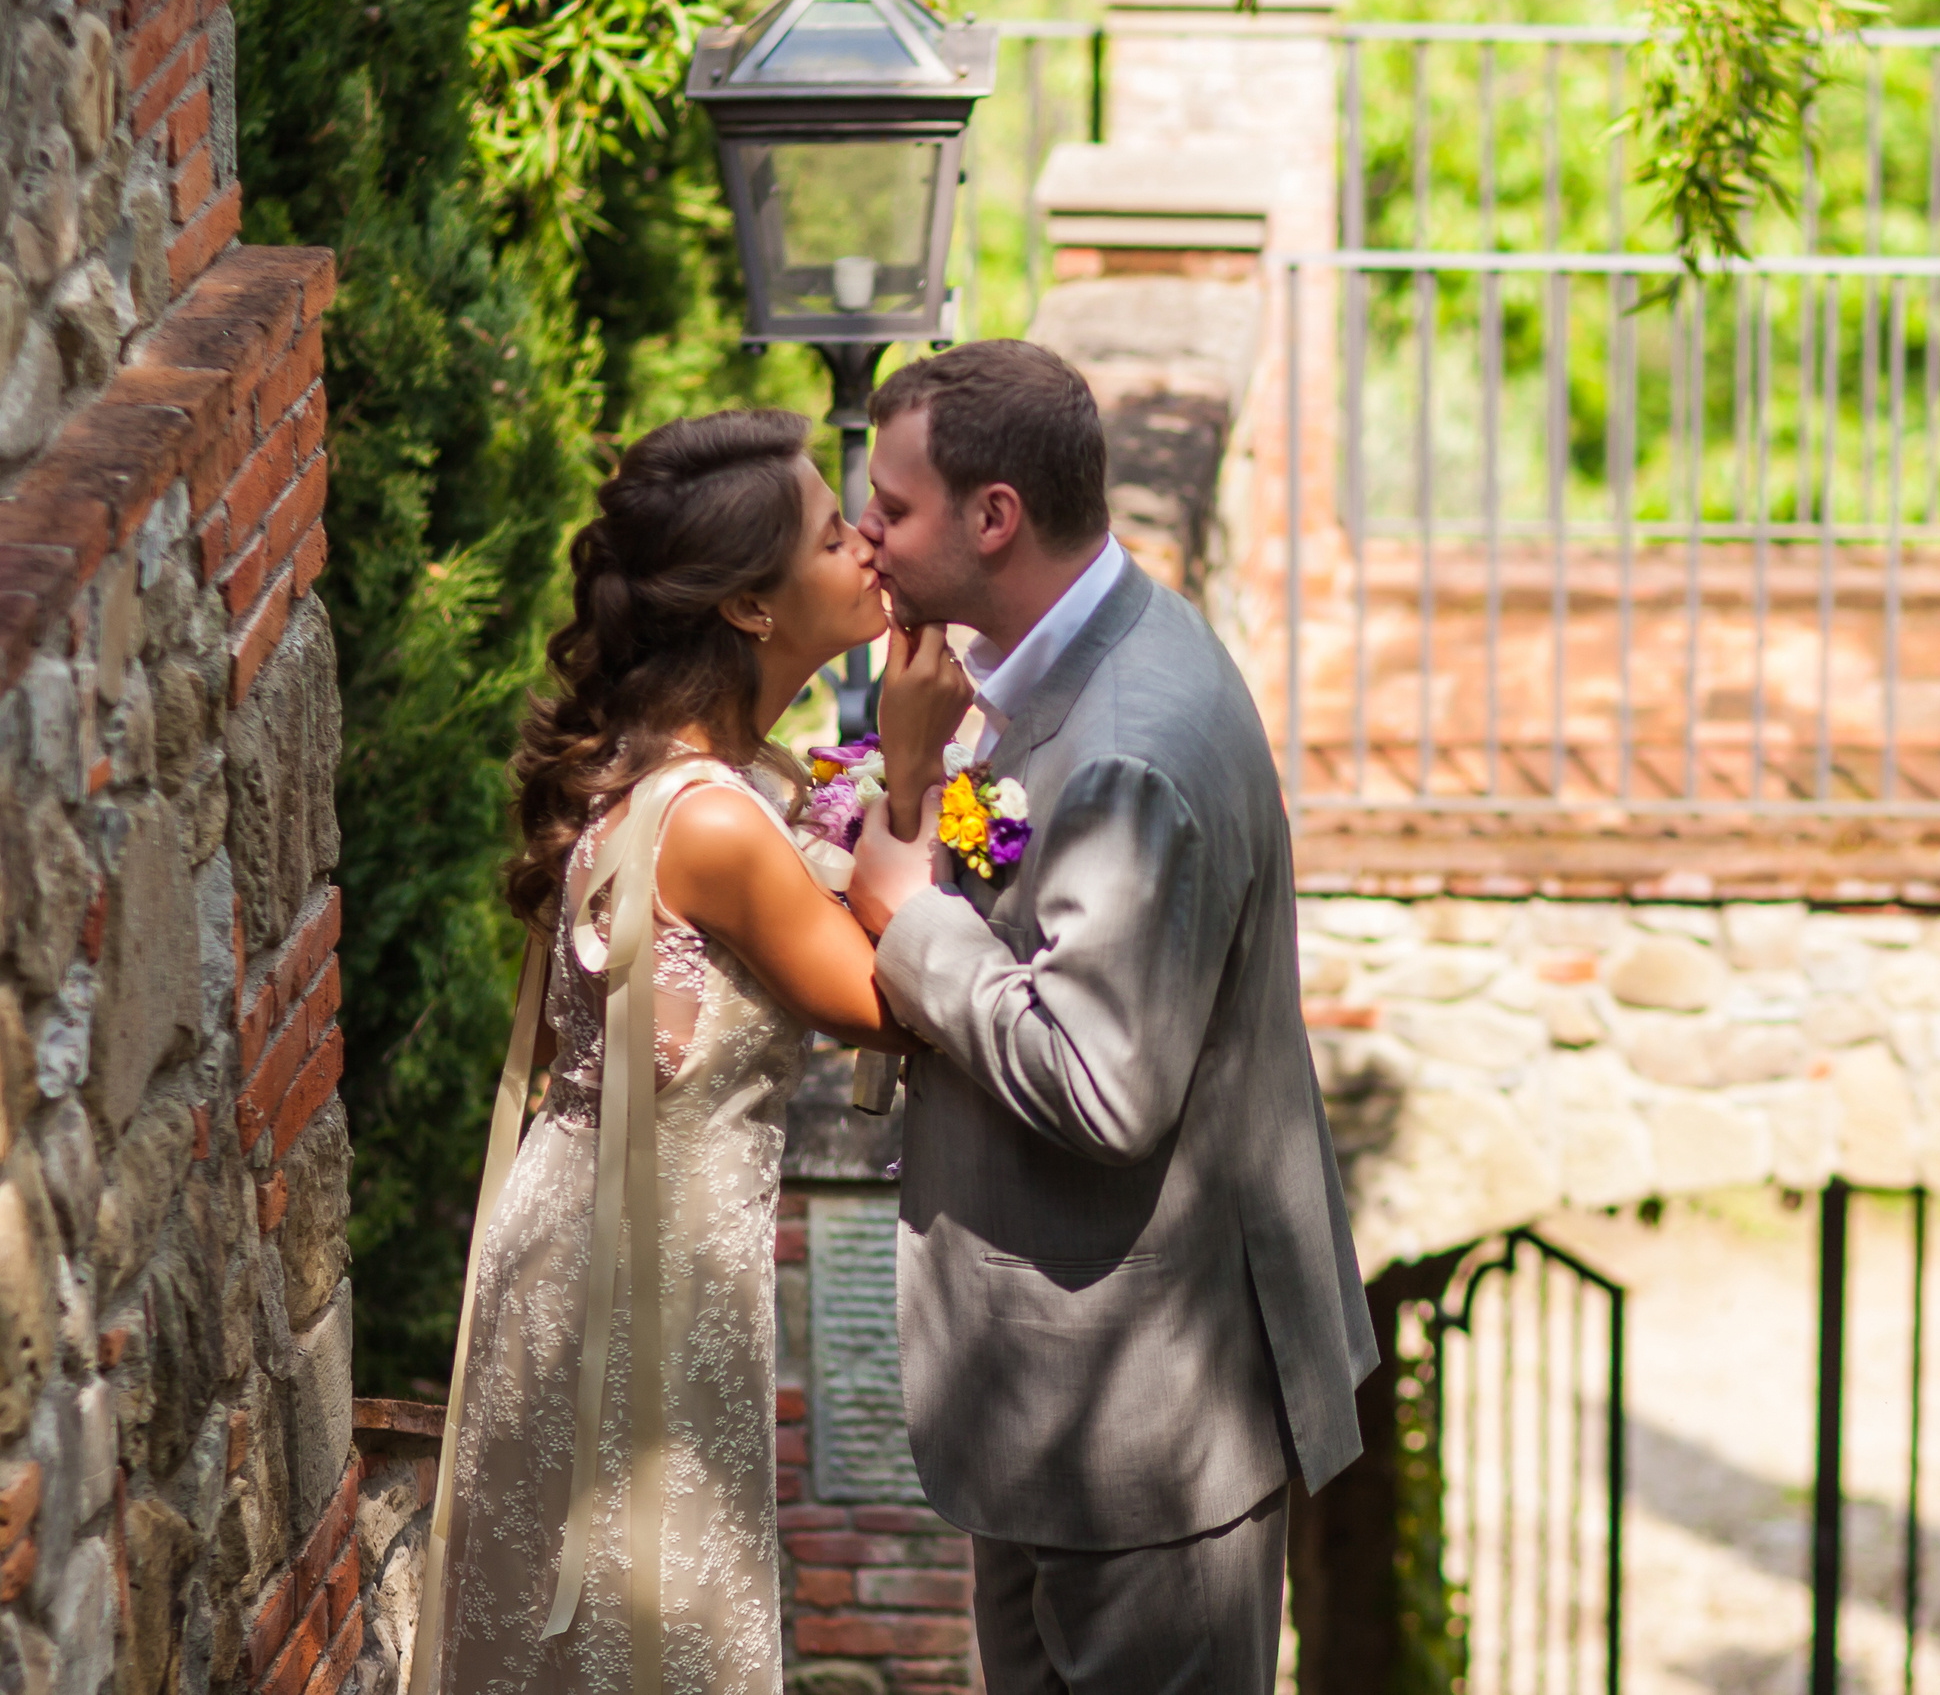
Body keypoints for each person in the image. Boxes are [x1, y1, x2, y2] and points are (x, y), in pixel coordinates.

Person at [845, 340, 1378, 1694]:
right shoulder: (1053, 658)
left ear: (995, 516)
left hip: (1146, 1428)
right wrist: (914, 776)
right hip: (1046, 1403)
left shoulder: (1132, 740)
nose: (865, 534)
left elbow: (1105, 1080)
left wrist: (912, 922)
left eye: (891, 507)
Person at [412, 409, 973, 1695]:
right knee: (643, 1621)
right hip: (637, 1268)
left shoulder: (716, 776)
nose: (871, 549)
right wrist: (913, 771)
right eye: (838, 536)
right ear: (751, 612)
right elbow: (893, 1003)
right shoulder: (714, 823)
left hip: (601, 1237)